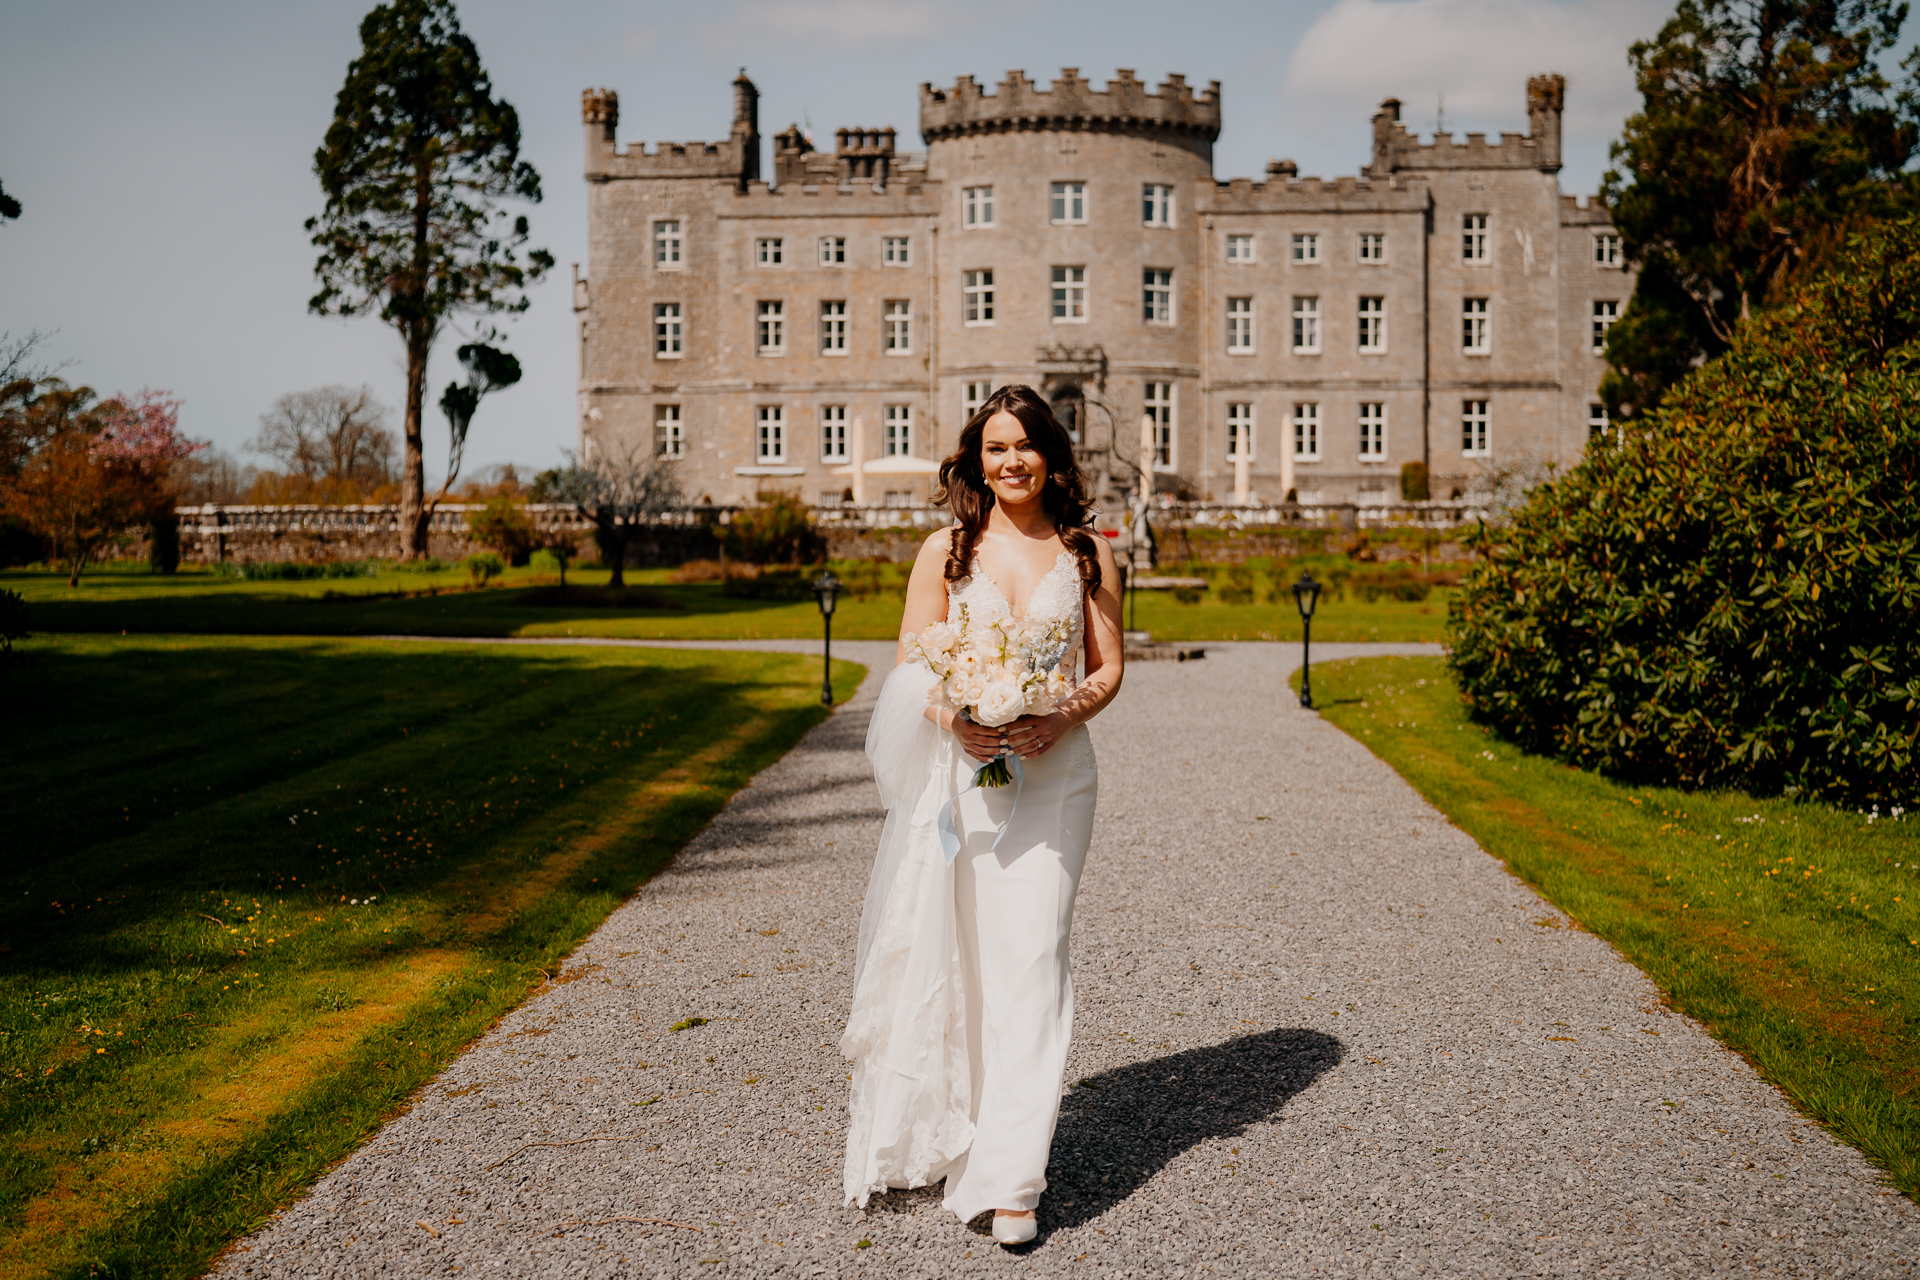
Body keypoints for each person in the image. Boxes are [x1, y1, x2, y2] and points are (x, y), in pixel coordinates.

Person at [841, 384, 1125, 1246]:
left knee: (1034, 959)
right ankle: (958, 1134)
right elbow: (907, 664)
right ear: (976, 458)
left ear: (1052, 454)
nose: (1011, 461)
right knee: (967, 961)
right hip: (968, 776)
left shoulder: (1087, 552)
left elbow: (1109, 667)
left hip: (1057, 779)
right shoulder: (947, 549)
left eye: (1026, 445)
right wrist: (955, 720)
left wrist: (1060, 715)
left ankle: (1012, 1180)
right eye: (996, 447)